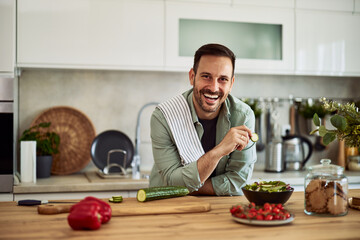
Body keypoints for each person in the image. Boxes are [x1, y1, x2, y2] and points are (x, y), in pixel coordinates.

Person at [149, 43, 257, 196]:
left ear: (231, 83)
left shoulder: (243, 116)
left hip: (219, 208)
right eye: (206, 76)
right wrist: (219, 151)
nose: (213, 88)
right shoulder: (164, 117)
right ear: (192, 77)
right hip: (170, 205)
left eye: (223, 79)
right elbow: (171, 181)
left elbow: (239, 180)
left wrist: (188, 187)